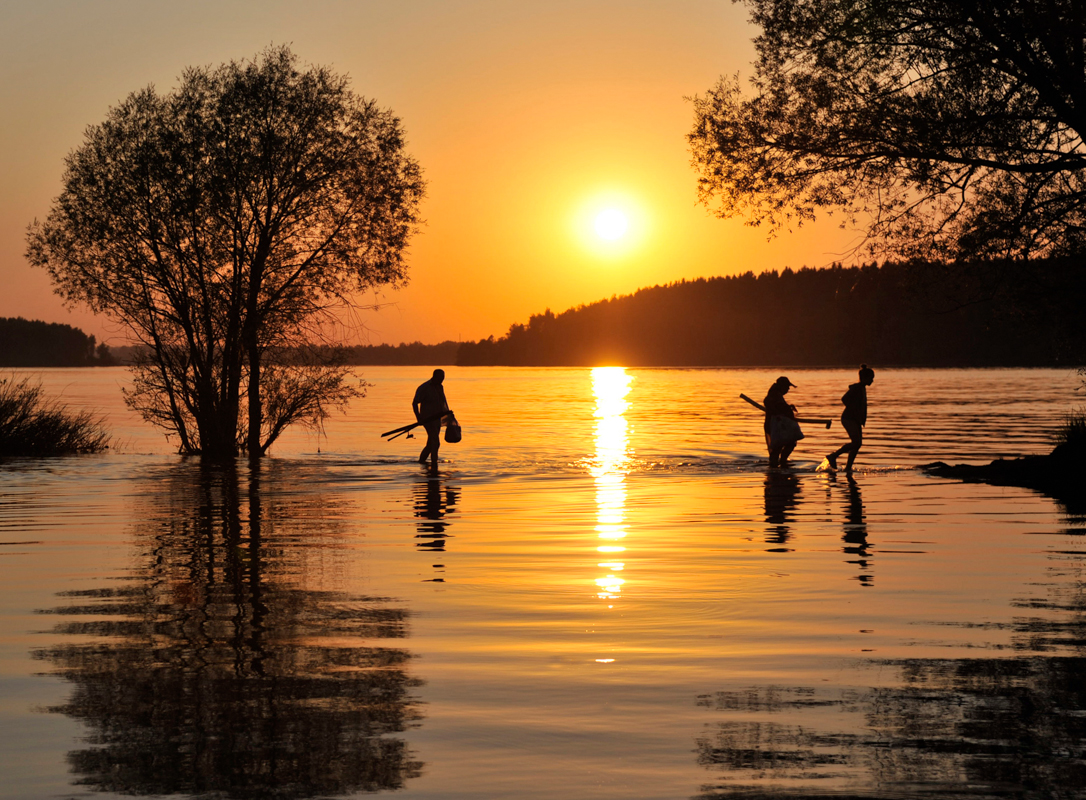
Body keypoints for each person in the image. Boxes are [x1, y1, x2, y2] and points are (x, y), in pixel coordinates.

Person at [826, 364, 875, 472]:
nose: (872, 381)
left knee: (857, 444)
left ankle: (848, 467)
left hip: (856, 419)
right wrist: (853, 409)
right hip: (848, 418)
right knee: (856, 442)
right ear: (865, 378)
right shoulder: (857, 388)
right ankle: (833, 456)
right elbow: (844, 399)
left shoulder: (862, 388)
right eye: (871, 378)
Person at [412, 369, 450, 469]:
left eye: (443, 378)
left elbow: (442, 402)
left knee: (430, 444)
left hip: (437, 419)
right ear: (434, 376)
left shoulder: (440, 387)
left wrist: (448, 414)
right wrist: (419, 418)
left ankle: (421, 462)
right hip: (427, 419)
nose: (442, 380)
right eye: (440, 378)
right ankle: (434, 465)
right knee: (436, 442)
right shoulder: (424, 388)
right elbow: (415, 403)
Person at [764, 376, 802, 468]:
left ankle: (781, 462)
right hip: (775, 426)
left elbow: (779, 406)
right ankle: (778, 463)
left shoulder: (776, 394)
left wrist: (788, 408)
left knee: (788, 443)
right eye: (787, 387)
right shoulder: (774, 393)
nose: (788, 389)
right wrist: (786, 409)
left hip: (777, 425)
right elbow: (770, 403)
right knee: (779, 447)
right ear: (782, 386)